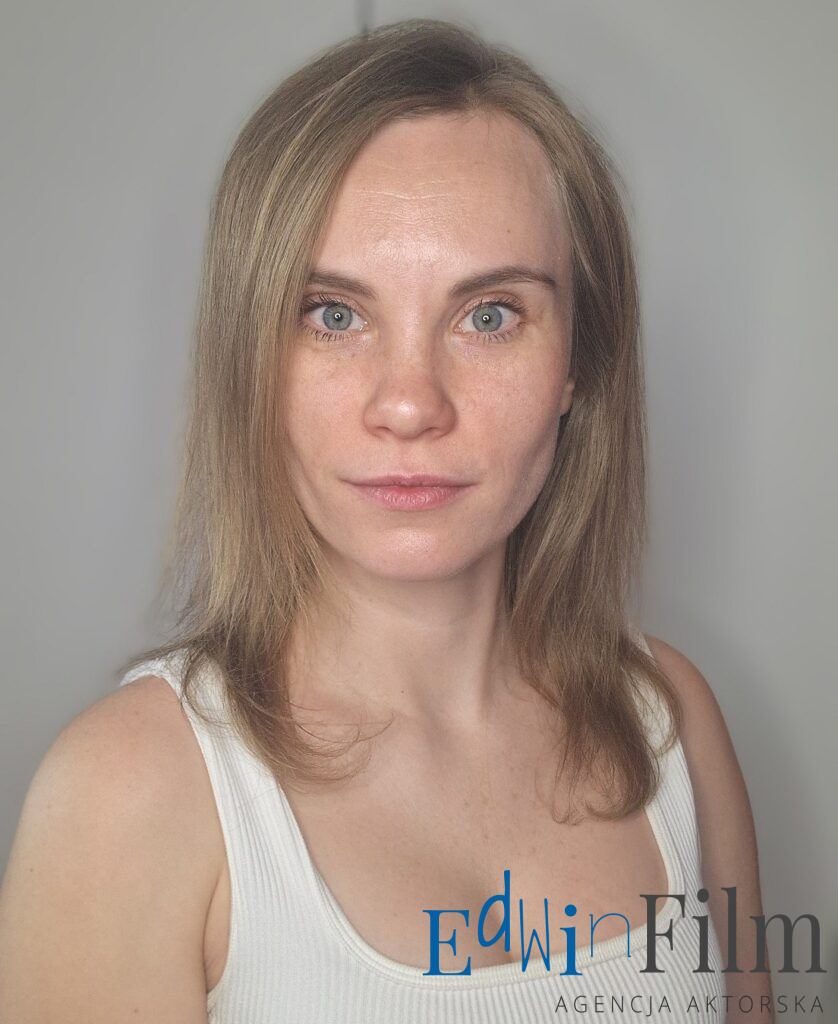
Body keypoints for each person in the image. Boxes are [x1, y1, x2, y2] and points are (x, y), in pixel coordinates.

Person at [0, 17, 773, 1023]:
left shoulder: (668, 719)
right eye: (333, 314)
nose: (409, 404)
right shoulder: (129, 793)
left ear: (579, 362)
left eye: (488, 315)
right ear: (249, 358)